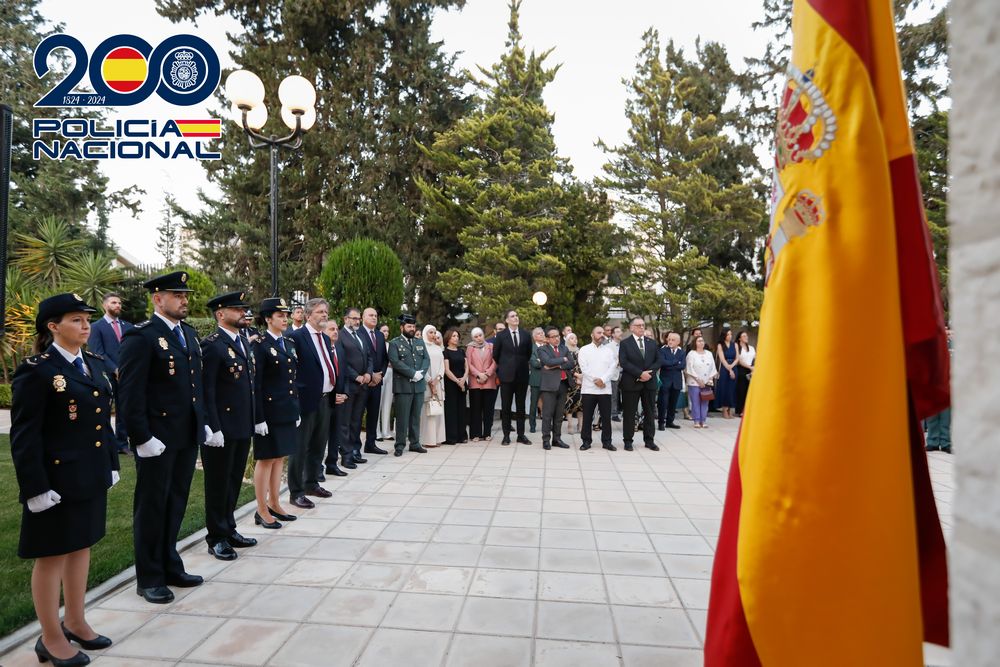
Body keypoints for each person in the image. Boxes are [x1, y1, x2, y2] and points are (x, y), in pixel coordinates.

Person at [11, 294, 120, 665]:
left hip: (88, 473)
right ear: (53, 327)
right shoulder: (37, 370)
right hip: (55, 481)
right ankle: (50, 636)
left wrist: (110, 462)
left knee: (81, 546)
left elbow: (102, 421)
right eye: (76, 320)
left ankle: (75, 620)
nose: (85, 325)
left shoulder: (94, 364)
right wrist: (36, 488)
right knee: (51, 556)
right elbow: (25, 436)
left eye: (87, 319)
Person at [119, 271, 207, 604]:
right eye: (177, 295)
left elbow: (195, 387)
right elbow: (130, 394)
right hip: (157, 438)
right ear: (158, 299)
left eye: (185, 295)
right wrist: (142, 437)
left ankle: (170, 564)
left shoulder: (188, 334)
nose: (184, 300)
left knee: (175, 503)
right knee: (152, 507)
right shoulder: (141, 337)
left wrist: (203, 424)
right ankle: (149, 577)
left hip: (185, 435)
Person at [200, 291, 258, 561]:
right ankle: (216, 537)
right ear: (220, 314)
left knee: (233, 480)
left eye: (243, 309)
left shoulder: (242, 341)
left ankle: (229, 528)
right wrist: (213, 427)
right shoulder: (212, 345)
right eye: (237, 309)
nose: (243, 313)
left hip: (241, 424)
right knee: (218, 484)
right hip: (221, 428)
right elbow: (207, 390)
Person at [250, 298, 300, 529]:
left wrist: (295, 408)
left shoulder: (288, 342)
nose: (285, 319)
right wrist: (258, 417)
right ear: (268, 319)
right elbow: (256, 384)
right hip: (269, 412)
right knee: (266, 458)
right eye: (280, 315)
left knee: (280, 457)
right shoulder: (260, 344)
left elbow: (292, 379)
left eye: (286, 315)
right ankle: (261, 509)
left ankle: (274, 503)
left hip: (286, 409)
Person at [287, 298, 340, 510]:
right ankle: (296, 492)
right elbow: (291, 370)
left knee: (318, 445)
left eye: (326, 312)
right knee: (300, 448)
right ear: (308, 315)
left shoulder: (325, 338)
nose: (324, 315)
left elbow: (327, 366)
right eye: (320, 312)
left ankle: (311, 484)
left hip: (325, 399)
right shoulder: (296, 337)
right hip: (305, 400)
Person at [87, 292, 133, 455]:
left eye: (119, 303)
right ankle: (104, 442)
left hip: (127, 375)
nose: (118, 305)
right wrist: (115, 369)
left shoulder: (128, 326)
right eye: (114, 303)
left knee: (124, 409)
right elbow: (98, 352)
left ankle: (122, 444)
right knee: (104, 410)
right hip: (106, 375)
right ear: (104, 305)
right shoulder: (96, 327)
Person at [388, 314, 430, 456]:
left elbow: (426, 359)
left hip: (418, 386)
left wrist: (421, 374)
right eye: (409, 326)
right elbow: (395, 362)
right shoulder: (394, 343)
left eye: (413, 326)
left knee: (415, 417)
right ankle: (399, 445)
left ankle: (415, 443)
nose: (412, 329)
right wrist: (412, 374)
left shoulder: (420, 342)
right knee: (402, 417)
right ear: (402, 327)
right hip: (403, 386)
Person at [618, 317, 662, 451]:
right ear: (631, 328)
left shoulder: (652, 343)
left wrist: (649, 374)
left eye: (643, 325)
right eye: (638, 325)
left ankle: (649, 440)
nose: (642, 327)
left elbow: (659, 360)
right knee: (629, 413)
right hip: (631, 383)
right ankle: (628, 441)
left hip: (649, 382)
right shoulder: (625, 343)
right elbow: (624, 362)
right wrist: (640, 373)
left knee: (649, 412)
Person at [338, 307, 374, 468]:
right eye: (354, 318)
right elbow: (342, 360)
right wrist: (356, 376)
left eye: (358, 318)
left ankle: (355, 451)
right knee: (345, 422)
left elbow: (369, 356)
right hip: (349, 385)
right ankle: (346, 455)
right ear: (345, 319)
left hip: (363, 385)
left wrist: (368, 373)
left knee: (356, 421)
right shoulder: (340, 336)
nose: (357, 321)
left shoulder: (361, 335)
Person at [492, 309, 533, 445]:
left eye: (516, 315)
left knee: (521, 407)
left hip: (522, 376)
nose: (516, 318)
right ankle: (506, 435)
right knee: (506, 407)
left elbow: (528, 353)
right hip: (506, 376)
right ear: (507, 320)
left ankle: (521, 435)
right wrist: (505, 366)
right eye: (512, 316)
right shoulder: (501, 335)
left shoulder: (526, 334)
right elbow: (495, 355)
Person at [578, 325, 617, 451]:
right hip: (589, 389)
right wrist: (596, 381)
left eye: (602, 333)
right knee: (587, 417)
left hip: (605, 389)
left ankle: (607, 442)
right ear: (592, 335)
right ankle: (586, 441)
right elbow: (584, 368)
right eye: (598, 332)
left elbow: (612, 367)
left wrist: (603, 380)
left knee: (606, 418)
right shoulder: (584, 350)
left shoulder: (608, 351)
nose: (601, 335)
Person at [536, 327, 574, 450]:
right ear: (547, 339)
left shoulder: (564, 348)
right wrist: (562, 360)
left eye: (558, 336)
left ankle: (557, 439)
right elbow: (547, 361)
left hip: (563, 384)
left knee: (559, 415)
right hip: (549, 386)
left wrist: (556, 365)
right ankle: (546, 440)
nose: (557, 338)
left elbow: (571, 363)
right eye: (553, 337)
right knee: (547, 415)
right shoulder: (542, 349)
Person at [358, 308, 389, 455]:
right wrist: (370, 375)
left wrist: (380, 375)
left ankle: (370, 444)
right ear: (363, 317)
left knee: (373, 414)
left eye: (376, 315)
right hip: (362, 381)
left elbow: (384, 359)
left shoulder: (379, 335)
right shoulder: (358, 333)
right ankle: (354, 446)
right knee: (357, 415)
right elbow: (356, 358)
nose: (374, 318)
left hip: (377, 382)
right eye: (370, 315)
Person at [321, 319, 348, 481]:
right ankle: (317, 469)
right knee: (321, 436)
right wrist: (333, 395)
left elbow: (344, 374)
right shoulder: (321, 350)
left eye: (336, 329)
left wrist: (345, 394)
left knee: (335, 433)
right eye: (331, 329)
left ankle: (332, 464)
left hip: (340, 399)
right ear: (323, 332)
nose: (335, 332)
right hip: (325, 399)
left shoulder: (339, 349)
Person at [466, 327, 497, 441]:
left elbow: (495, 362)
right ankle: (476, 434)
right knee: (475, 409)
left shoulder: (491, 346)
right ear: (473, 338)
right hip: (475, 382)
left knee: (488, 409)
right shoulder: (470, 347)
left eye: (480, 335)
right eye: (476, 336)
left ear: (484, 335)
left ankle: (487, 433)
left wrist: (487, 374)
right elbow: (468, 364)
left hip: (489, 380)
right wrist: (479, 374)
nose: (479, 338)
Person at [925, 326, 953, 453]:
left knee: (946, 417)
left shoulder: (951, 347)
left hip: (947, 384)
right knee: (932, 415)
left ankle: (946, 443)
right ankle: (933, 442)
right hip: (932, 384)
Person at [420, 325, 446, 447]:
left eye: (434, 332)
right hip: (426, 383)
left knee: (438, 409)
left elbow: (442, 366)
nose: (433, 335)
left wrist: (438, 378)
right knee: (428, 411)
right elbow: (421, 366)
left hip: (438, 382)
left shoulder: (438, 348)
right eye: (430, 332)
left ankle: (438, 438)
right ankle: (428, 440)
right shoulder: (421, 347)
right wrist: (430, 380)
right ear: (425, 333)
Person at [685, 335, 718, 428]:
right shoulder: (691, 354)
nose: (701, 342)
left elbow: (713, 367)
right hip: (694, 382)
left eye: (702, 341)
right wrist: (698, 380)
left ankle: (703, 420)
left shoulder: (709, 354)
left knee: (705, 401)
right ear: (695, 343)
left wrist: (710, 378)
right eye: (699, 341)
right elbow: (689, 368)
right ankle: (696, 420)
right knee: (695, 401)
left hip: (707, 382)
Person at [442, 328, 468, 444]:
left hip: (462, 382)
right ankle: (451, 437)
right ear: (448, 338)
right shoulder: (445, 352)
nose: (456, 338)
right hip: (451, 384)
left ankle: (462, 436)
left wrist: (463, 379)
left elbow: (467, 367)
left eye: (457, 336)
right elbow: (447, 370)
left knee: (462, 409)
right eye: (453, 336)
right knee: (451, 410)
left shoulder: (461, 351)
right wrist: (458, 381)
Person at [657, 332, 685, 430]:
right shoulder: (662, 350)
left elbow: (682, 366)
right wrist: (676, 362)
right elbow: (662, 363)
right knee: (663, 403)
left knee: (673, 404)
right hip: (665, 381)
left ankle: (670, 422)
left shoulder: (681, 352)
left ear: (678, 342)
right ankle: (661, 423)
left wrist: (670, 364)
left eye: (673, 340)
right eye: (669, 339)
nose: (670, 341)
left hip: (676, 382)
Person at [377, 323, 395, 441]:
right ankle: (376, 432)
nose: (386, 333)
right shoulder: (376, 344)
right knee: (377, 404)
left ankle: (386, 431)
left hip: (391, 373)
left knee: (387, 403)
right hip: (380, 373)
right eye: (384, 331)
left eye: (387, 331)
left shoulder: (390, 345)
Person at [563, 332, 583, 434]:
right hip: (571, 380)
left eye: (575, 338)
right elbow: (565, 367)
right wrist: (576, 375)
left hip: (583, 380)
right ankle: (570, 425)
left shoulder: (581, 351)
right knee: (570, 403)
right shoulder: (565, 352)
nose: (574, 339)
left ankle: (580, 425)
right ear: (567, 340)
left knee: (581, 404)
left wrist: (582, 376)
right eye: (571, 338)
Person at [715, 328, 738, 419]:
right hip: (725, 368)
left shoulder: (735, 344)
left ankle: (730, 410)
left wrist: (732, 367)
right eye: (728, 334)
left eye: (731, 334)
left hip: (733, 366)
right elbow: (722, 359)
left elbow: (737, 358)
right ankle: (724, 410)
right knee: (724, 388)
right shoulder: (720, 345)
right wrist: (730, 370)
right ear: (724, 335)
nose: (730, 336)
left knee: (732, 389)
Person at [527, 327, 546, 433]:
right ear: (534, 337)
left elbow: (553, 361)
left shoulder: (548, 347)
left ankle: (548, 425)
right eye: (539, 333)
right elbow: (535, 364)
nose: (542, 334)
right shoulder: (531, 348)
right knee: (533, 404)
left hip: (548, 380)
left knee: (549, 404)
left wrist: (540, 360)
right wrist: (546, 361)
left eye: (542, 333)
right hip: (536, 380)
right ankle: (532, 425)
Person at [735, 330, 756, 417]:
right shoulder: (738, 347)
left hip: (751, 369)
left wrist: (753, 367)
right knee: (741, 390)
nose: (746, 337)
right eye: (744, 336)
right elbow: (739, 361)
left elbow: (755, 357)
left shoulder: (751, 348)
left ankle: (748, 410)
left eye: (746, 336)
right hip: (741, 369)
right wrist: (750, 367)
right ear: (739, 338)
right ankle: (740, 410)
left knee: (749, 391)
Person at [609, 325, 623, 421]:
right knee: (613, 395)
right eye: (617, 332)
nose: (620, 333)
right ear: (613, 335)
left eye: (620, 331)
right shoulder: (608, 346)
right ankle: (613, 414)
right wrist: (618, 361)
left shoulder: (623, 345)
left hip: (624, 373)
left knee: (625, 394)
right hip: (614, 373)